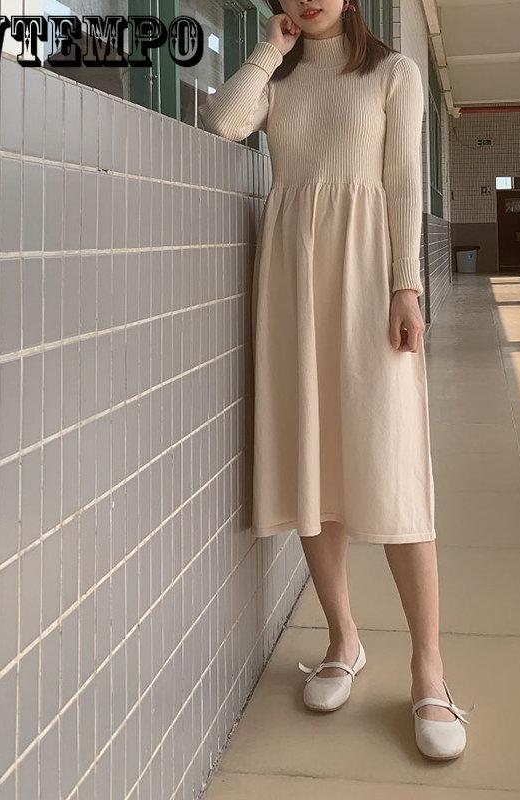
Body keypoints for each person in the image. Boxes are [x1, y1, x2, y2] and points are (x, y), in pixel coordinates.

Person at [199, 0, 472, 761]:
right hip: (294, 281)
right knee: (314, 461)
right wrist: (269, 49)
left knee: (393, 464)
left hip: (369, 277)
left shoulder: (395, 72)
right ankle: (343, 639)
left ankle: (429, 671)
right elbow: (223, 123)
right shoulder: (280, 80)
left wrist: (407, 288)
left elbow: (405, 185)